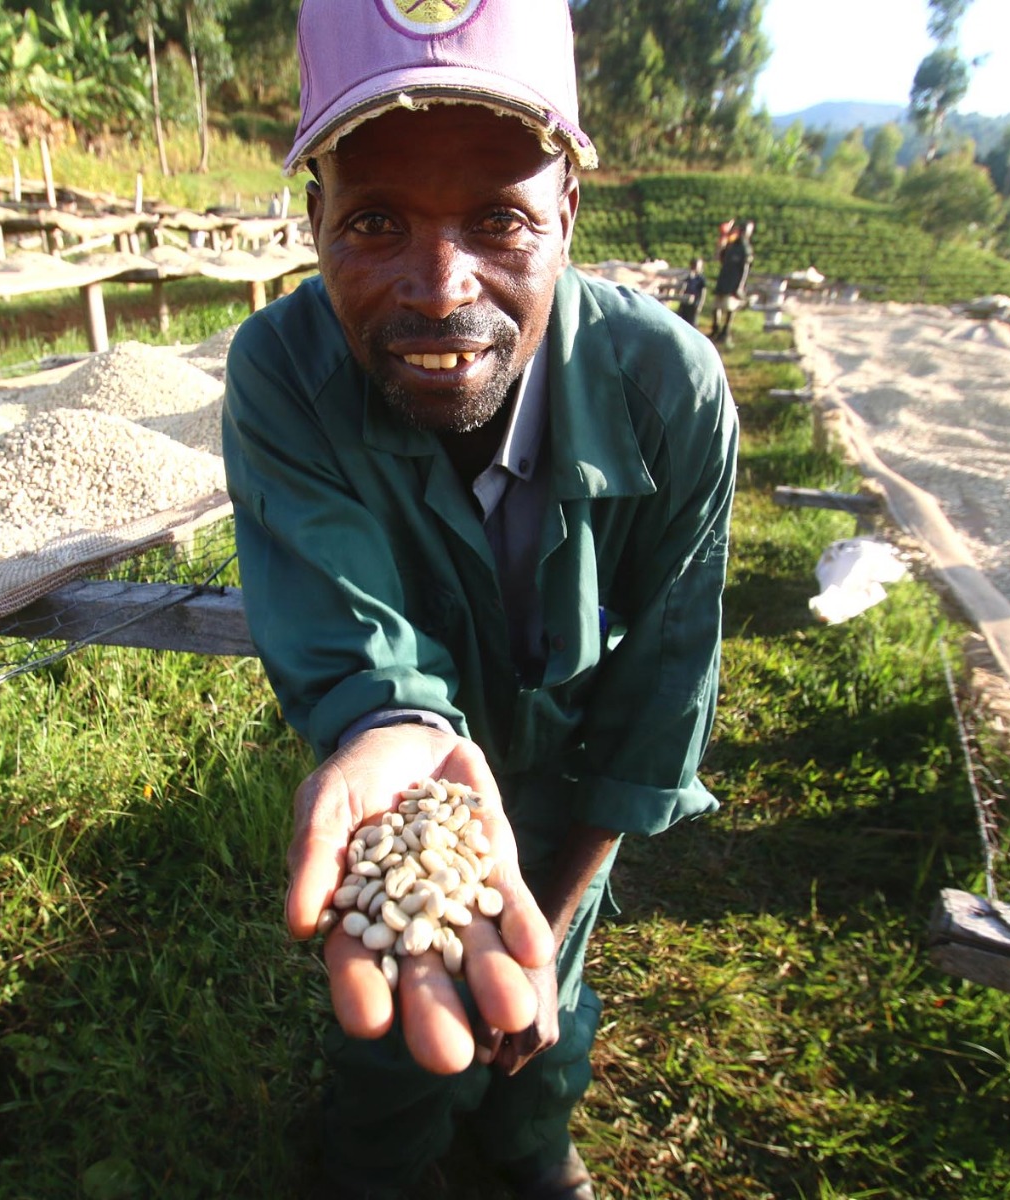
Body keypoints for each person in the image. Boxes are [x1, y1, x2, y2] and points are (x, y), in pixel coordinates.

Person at [221, 2, 738, 1196]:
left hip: (571, 759)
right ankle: (380, 1165)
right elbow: (347, 627)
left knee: (547, 995)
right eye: (376, 222)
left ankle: (531, 1146)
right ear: (314, 222)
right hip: (403, 778)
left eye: (500, 218)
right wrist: (393, 729)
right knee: (398, 1042)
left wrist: (551, 916)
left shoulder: (669, 389)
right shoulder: (282, 373)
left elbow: (663, 685)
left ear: (567, 211)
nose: (440, 288)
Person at [710, 220, 755, 343]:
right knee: (716, 305)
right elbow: (721, 257)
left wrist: (740, 286)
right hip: (724, 278)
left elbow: (745, 269)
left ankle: (725, 331)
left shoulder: (745, 249)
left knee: (730, 307)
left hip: (734, 282)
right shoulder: (731, 244)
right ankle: (715, 329)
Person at [675, 257, 707, 330]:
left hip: (694, 304)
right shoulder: (688, 277)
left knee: (692, 323)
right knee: (681, 320)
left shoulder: (701, 279)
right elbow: (682, 287)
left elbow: (703, 293)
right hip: (685, 302)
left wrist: (700, 305)